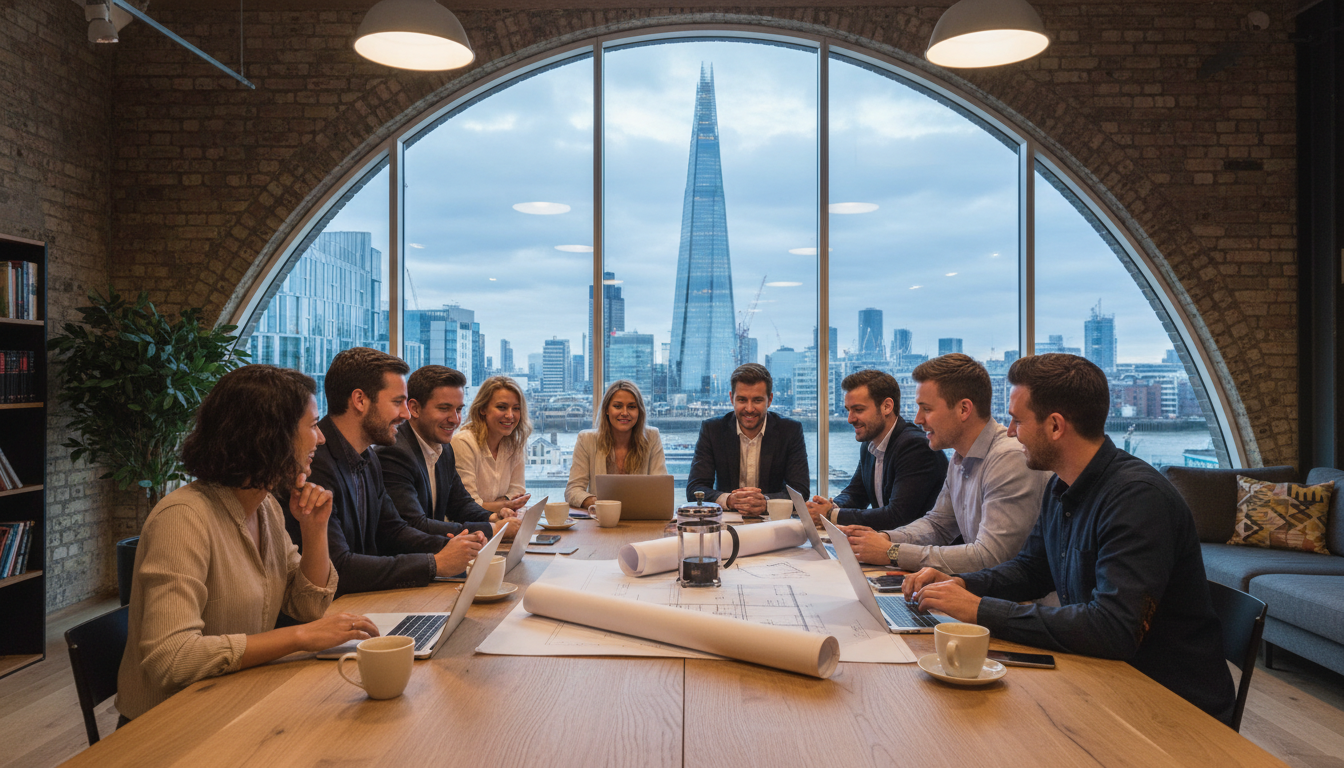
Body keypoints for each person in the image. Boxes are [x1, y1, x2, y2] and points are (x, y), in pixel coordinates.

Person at [904, 353, 1236, 724]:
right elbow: (1031, 569)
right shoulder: (1061, 485)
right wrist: (960, 584)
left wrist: (979, 609)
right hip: (1103, 678)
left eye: (1017, 420)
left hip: (1169, 707)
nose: (1010, 432)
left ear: (1056, 426)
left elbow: (1113, 628)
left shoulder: (1138, 499)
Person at [118, 365, 379, 721]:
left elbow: (309, 606)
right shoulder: (183, 518)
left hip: (232, 700)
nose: (320, 439)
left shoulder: (265, 506)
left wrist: (314, 530)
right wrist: (300, 638)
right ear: (271, 435)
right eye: (313, 425)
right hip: (171, 726)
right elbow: (173, 658)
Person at [284, 348, 484, 596]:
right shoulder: (314, 465)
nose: (406, 413)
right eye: (397, 402)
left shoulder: (367, 456)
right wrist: (436, 563)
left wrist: (460, 546)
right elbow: (339, 567)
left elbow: (393, 531)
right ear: (360, 401)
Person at [840, 354, 1049, 571]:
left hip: (1019, 602)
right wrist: (882, 538)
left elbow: (991, 556)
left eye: (927, 409)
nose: (918, 419)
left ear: (963, 409)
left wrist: (892, 552)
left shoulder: (1008, 457)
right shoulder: (958, 459)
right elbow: (937, 525)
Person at [377, 366, 520, 540]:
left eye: (459, 409)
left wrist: (493, 517)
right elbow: (415, 525)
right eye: (444, 409)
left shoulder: (443, 448)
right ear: (414, 408)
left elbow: (460, 504)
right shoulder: (394, 454)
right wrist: (494, 529)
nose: (455, 419)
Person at [806, 369, 947, 530]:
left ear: (887, 407)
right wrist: (831, 506)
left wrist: (831, 515)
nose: (850, 419)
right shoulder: (869, 444)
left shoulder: (915, 447)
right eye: (848, 410)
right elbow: (856, 493)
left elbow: (898, 516)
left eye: (858, 410)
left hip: (922, 549)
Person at [685, 363, 810, 514]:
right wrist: (730, 500)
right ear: (732, 398)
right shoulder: (713, 430)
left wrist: (766, 502)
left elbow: (800, 491)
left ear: (769, 400)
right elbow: (695, 490)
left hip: (773, 524)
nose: (749, 409)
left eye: (757, 400)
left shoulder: (790, 430)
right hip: (727, 522)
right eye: (742, 400)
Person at [566, 379, 667, 509]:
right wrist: (598, 503)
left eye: (631, 407)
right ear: (607, 410)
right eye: (618, 406)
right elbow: (572, 490)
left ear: (639, 411)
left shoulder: (652, 437)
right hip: (600, 521)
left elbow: (661, 490)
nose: (625, 413)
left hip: (641, 520)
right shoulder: (586, 440)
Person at [451, 375, 532, 516]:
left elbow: (517, 492)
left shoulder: (514, 443)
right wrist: (506, 504)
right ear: (483, 409)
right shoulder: (463, 442)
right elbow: (469, 505)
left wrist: (495, 505)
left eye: (516, 408)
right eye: (502, 407)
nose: (510, 415)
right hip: (467, 529)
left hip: (500, 523)